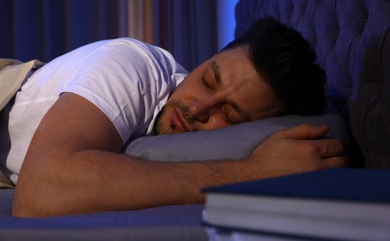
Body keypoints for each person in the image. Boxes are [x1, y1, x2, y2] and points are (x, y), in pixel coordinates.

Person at [2, 17, 345, 217]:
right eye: (208, 79)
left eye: (228, 115)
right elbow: (41, 192)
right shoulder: (134, 69)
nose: (196, 109)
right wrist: (257, 172)